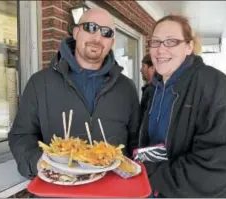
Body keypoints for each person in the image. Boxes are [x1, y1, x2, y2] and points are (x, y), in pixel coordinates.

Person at [8, 8, 140, 179]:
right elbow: (21, 135)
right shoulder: (40, 83)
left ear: (112, 42)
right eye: (91, 27)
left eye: (106, 33)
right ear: (76, 32)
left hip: (111, 192)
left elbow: (135, 141)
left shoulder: (127, 88)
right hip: (58, 190)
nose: (97, 37)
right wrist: (37, 162)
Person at [137, 15, 226, 197]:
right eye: (155, 42)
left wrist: (156, 176)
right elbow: (153, 143)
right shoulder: (153, 89)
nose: (160, 50)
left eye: (171, 42)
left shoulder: (212, 84)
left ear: (189, 47)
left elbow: (221, 160)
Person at [140, 53, 155, 118]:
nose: (141, 70)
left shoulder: (152, 90)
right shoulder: (148, 88)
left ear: (152, 68)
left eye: (143, 66)